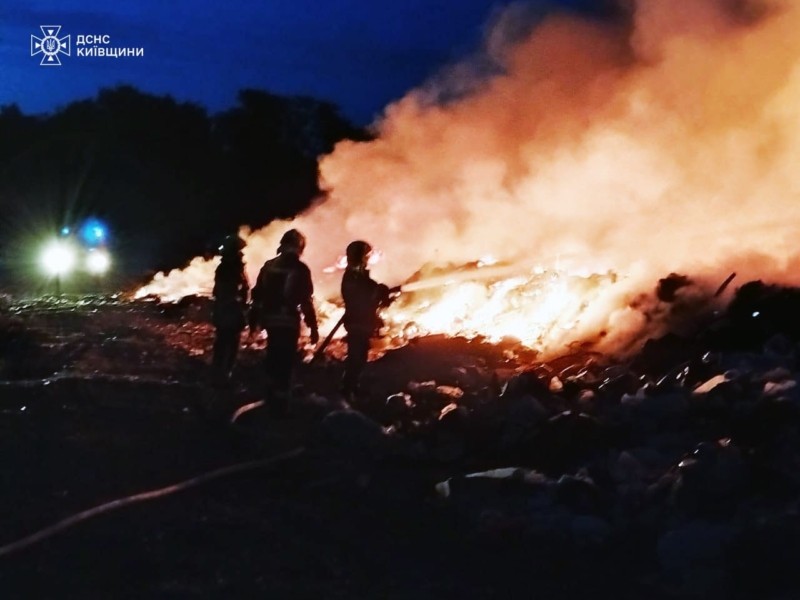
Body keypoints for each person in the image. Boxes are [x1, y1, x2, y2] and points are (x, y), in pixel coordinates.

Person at [249, 229, 319, 416]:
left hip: (270, 320)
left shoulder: (269, 266)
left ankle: (270, 396)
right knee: (286, 361)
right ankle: (281, 404)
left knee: (273, 356)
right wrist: (313, 326)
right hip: (288, 321)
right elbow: (305, 301)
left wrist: (253, 322)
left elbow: (257, 297)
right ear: (300, 247)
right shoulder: (300, 269)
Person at [340, 240, 395, 402]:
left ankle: (351, 388)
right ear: (360, 256)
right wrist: (379, 290)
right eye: (366, 255)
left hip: (360, 321)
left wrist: (380, 293)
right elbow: (362, 292)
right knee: (356, 358)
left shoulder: (355, 274)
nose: (367, 259)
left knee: (359, 357)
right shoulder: (353, 275)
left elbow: (368, 292)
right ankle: (347, 390)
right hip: (357, 321)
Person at [211, 234, 249, 384]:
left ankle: (222, 373)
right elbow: (225, 291)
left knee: (226, 343)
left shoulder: (233, 267)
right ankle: (222, 375)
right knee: (227, 344)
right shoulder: (228, 268)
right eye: (239, 250)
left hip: (228, 311)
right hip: (229, 311)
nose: (242, 254)